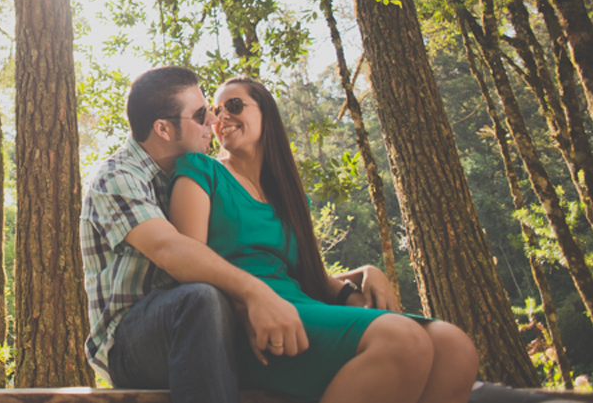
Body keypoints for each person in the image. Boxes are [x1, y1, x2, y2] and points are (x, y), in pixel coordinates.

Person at [169, 75, 477, 403]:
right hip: (251, 323)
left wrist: (361, 275)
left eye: (234, 105)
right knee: (402, 340)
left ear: (266, 114)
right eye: (215, 110)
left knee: (454, 347)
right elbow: (190, 264)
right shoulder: (201, 169)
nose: (221, 117)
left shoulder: (285, 193)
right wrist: (244, 304)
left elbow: (303, 275)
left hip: (299, 305)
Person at [81, 66, 313, 403]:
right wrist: (254, 292)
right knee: (201, 298)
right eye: (202, 114)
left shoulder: (195, 176)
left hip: (203, 322)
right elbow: (171, 249)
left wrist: (349, 284)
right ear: (163, 128)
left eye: (213, 111)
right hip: (128, 341)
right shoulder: (118, 177)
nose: (213, 122)